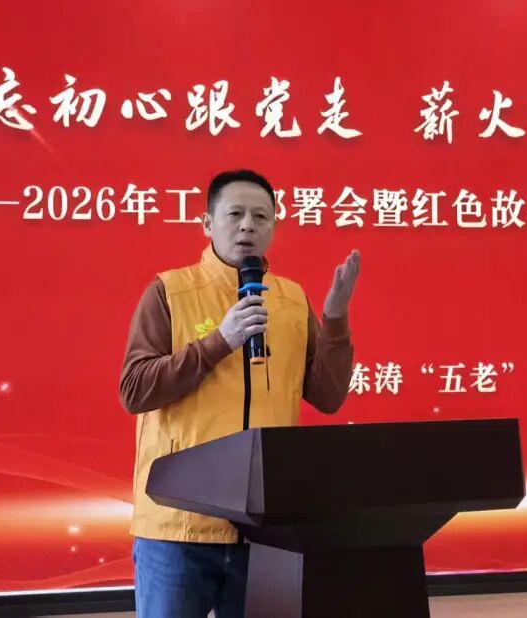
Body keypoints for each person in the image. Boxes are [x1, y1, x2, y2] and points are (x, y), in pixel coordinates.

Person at [119, 169, 360, 618]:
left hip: (265, 529)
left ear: (274, 228)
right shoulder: (170, 291)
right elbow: (135, 390)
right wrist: (219, 342)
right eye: (235, 214)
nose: (248, 225)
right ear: (207, 223)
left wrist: (335, 319)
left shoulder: (290, 300)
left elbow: (328, 396)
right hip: (179, 527)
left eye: (261, 217)